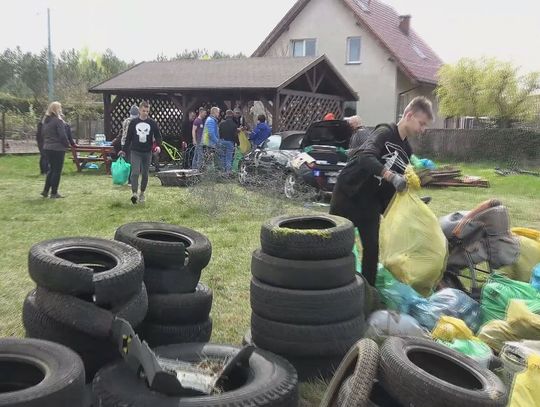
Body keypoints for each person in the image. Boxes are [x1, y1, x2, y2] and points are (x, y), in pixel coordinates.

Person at [330, 96, 433, 287]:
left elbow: (389, 191)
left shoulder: (406, 150)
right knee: (336, 244)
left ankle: (368, 293)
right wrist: (390, 175)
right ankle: (331, 288)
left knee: (372, 251)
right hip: (348, 194)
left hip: (369, 204)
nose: (423, 129)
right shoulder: (385, 131)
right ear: (409, 115)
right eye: (422, 123)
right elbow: (365, 157)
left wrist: (410, 203)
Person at [121, 101, 162, 204]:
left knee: (145, 174)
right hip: (135, 151)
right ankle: (134, 193)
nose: (145, 113)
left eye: (147, 111)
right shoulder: (133, 123)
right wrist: (124, 150)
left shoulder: (152, 123)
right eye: (143, 111)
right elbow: (128, 138)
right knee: (134, 173)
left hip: (147, 152)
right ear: (139, 110)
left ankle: (142, 193)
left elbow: (158, 136)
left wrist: (158, 146)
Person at [40, 101, 70, 199]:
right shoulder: (58, 121)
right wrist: (67, 145)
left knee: (51, 169)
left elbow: (42, 134)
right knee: (57, 170)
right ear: (58, 109)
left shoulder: (46, 121)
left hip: (47, 147)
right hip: (57, 148)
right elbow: (62, 135)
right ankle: (54, 192)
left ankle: (45, 191)